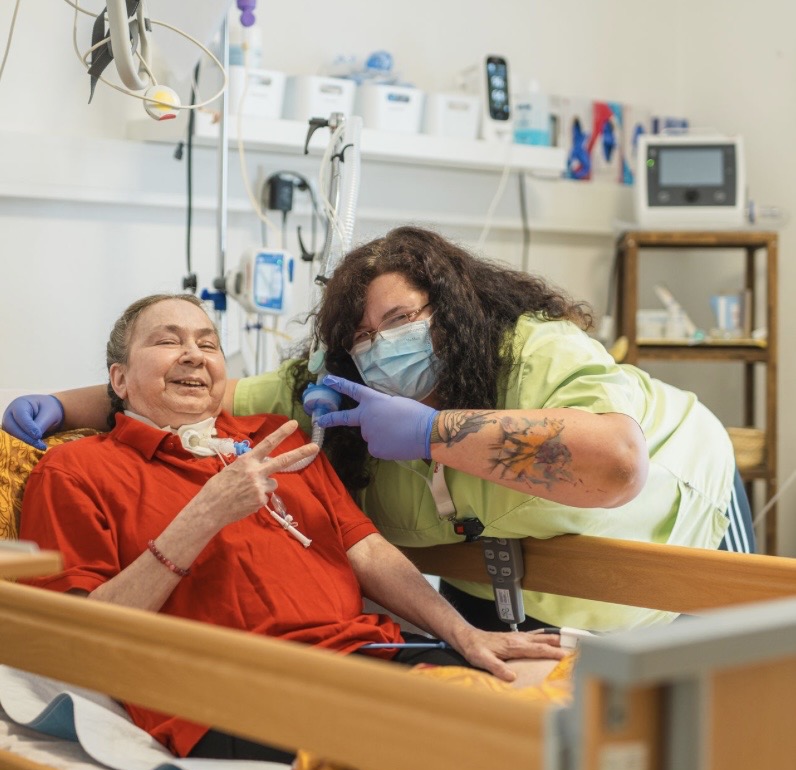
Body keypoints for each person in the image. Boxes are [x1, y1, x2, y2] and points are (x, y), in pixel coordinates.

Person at [6, 226, 754, 634]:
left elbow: (616, 464)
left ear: (451, 312)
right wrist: (63, 406)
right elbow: (202, 389)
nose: (380, 345)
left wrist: (434, 433)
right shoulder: (331, 397)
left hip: (679, 524)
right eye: (362, 335)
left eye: (400, 321)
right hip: (512, 594)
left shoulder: (531, 351)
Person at [17, 293, 565, 763]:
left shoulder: (278, 439)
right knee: (477, 747)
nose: (194, 355)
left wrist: (465, 635)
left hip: (361, 654)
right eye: (167, 341)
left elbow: (367, 551)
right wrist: (205, 516)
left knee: (560, 703)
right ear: (118, 379)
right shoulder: (76, 470)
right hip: (233, 692)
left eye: (208, 344)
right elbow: (77, 639)